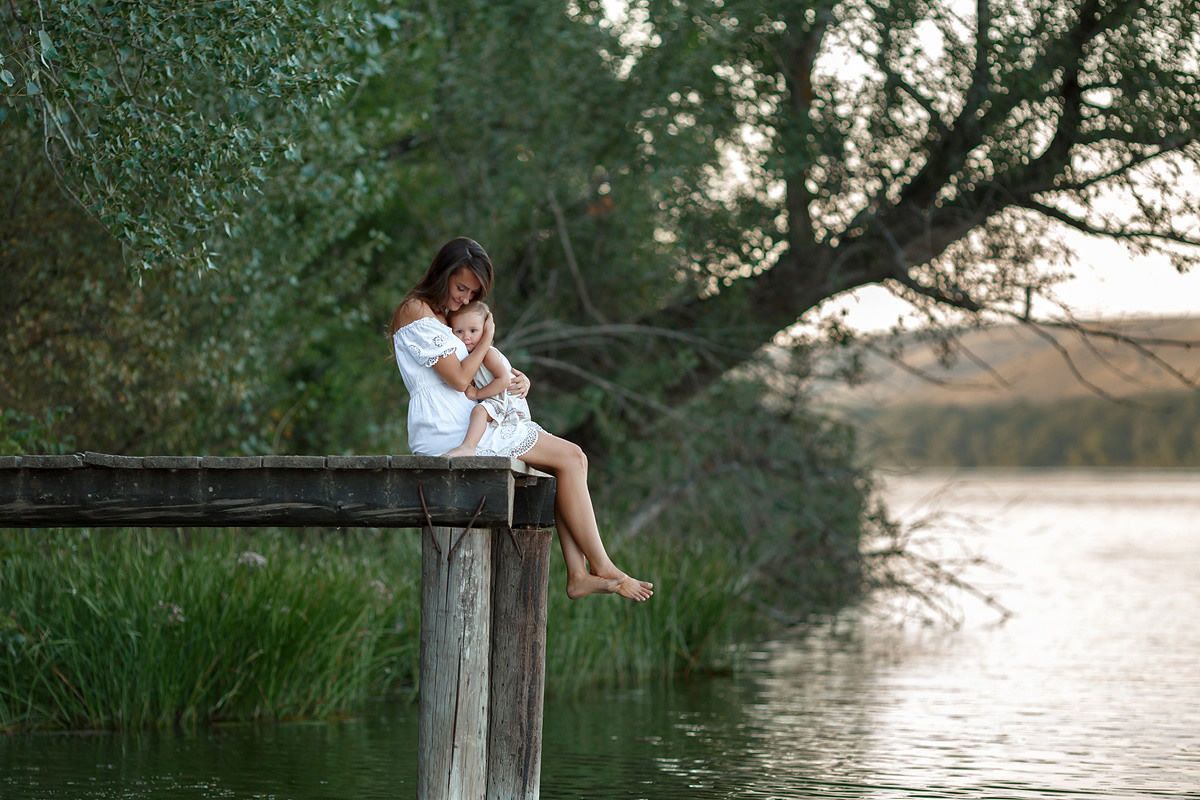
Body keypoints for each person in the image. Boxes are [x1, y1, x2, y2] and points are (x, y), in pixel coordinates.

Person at [389, 237, 653, 601]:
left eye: (472, 293)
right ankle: (602, 567)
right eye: (461, 287)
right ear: (442, 273)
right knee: (573, 457)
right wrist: (489, 337)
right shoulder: (415, 309)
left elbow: (474, 368)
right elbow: (459, 378)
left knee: (563, 467)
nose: (465, 299)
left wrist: (514, 376)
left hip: (471, 422)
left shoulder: (445, 315)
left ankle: (578, 574)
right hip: (447, 431)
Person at [441, 300, 537, 460]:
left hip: (504, 400)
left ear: (486, 331)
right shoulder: (470, 356)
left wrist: (477, 393)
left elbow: (504, 381)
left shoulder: (488, 353)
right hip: (497, 398)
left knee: (479, 411)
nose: (466, 337)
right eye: (459, 331)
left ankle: (468, 447)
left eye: (473, 330)